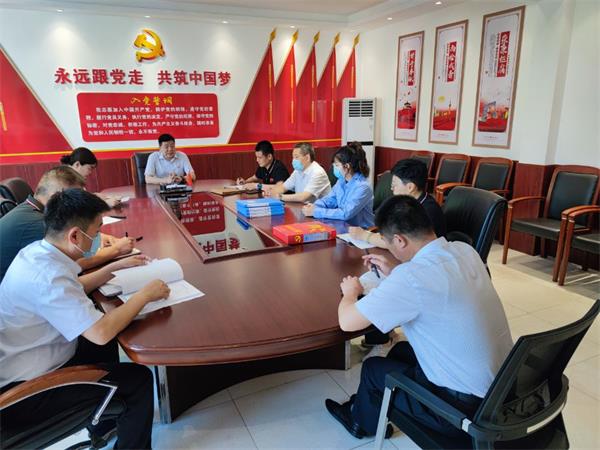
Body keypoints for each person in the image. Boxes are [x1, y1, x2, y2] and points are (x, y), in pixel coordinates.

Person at [325, 195, 512, 440]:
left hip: (464, 411)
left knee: (372, 368)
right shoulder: (465, 250)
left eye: (389, 243)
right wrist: (396, 273)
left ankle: (361, 424)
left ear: (399, 240)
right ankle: (369, 406)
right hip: (501, 389)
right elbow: (437, 287)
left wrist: (351, 292)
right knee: (400, 351)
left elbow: (348, 322)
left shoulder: (411, 277)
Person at [0, 188, 170, 450]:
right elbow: (100, 332)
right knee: (138, 380)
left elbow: (73, 287)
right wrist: (145, 295)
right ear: (75, 236)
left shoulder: (38, 252)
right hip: (25, 394)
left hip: (28, 357)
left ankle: (103, 421)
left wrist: (114, 267)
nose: (100, 237)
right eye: (97, 230)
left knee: (104, 343)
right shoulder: (48, 277)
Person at [0, 166, 135, 281]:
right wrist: (116, 250)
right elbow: (75, 263)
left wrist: (98, 236)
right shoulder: (37, 223)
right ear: (57, 197)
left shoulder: (32, 209)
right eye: (74, 198)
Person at [349, 158, 446, 247]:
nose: (392, 189)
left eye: (394, 185)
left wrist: (364, 235)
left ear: (410, 187)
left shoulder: (427, 211)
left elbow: (399, 244)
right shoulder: (404, 201)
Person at [302, 142, 374, 228]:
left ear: (347, 166)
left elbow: (345, 213)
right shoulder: (341, 181)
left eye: (336, 165)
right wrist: (315, 206)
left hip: (361, 231)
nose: (334, 168)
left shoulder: (363, 187)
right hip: (342, 225)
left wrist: (316, 211)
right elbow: (330, 200)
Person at [264, 142, 331, 202]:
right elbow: (283, 187)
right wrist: (271, 193)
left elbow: (303, 197)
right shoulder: (298, 171)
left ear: (307, 157)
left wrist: (280, 197)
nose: (293, 160)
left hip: (320, 210)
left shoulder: (318, 172)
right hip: (303, 207)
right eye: (293, 157)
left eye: (296, 157)